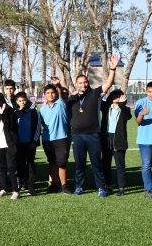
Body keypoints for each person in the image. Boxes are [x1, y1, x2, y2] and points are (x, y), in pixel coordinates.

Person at [66, 54, 119, 196]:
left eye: (85, 82)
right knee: (79, 164)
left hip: (93, 135)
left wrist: (112, 69)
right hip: (77, 136)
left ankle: (101, 187)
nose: (83, 84)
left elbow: (107, 85)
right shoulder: (72, 99)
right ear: (77, 84)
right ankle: (79, 186)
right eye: (80, 83)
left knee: (96, 163)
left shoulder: (95, 93)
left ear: (87, 82)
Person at [39, 79, 70, 194]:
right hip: (47, 140)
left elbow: (62, 95)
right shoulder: (42, 110)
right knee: (52, 162)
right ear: (45, 95)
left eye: (52, 92)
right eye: (47, 93)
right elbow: (42, 124)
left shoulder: (61, 104)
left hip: (61, 138)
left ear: (56, 93)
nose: (50, 95)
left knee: (62, 162)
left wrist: (58, 85)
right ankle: (55, 184)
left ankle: (64, 185)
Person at [0, 93, 19, 199]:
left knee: (11, 167)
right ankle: (3, 189)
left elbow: (11, 126)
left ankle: (15, 190)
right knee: (1, 168)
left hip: (9, 144)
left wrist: (3, 114)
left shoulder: (9, 111)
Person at [100, 89, 130, 196]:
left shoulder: (125, 109)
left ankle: (121, 188)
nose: (117, 97)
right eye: (114, 95)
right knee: (106, 164)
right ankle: (108, 185)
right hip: (106, 138)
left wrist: (122, 104)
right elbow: (97, 98)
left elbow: (128, 116)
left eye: (119, 95)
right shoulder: (106, 108)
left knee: (120, 165)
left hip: (119, 140)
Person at [14, 92, 40, 195]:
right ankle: (23, 183)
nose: (22, 102)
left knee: (30, 165)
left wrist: (34, 141)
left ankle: (31, 186)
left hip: (30, 144)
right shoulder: (15, 113)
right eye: (20, 101)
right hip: (18, 144)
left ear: (27, 100)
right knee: (20, 165)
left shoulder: (33, 112)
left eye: (24, 100)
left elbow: (38, 127)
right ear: (16, 102)